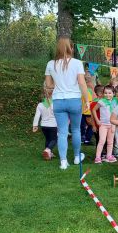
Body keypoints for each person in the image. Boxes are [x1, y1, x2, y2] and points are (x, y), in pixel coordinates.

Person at [44, 38, 91, 170]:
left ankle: (63, 161)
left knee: (62, 132)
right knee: (76, 130)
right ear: (71, 48)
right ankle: (76, 157)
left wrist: (59, 83)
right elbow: (82, 83)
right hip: (74, 100)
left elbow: (48, 85)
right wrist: (87, 100)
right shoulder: (77, 63)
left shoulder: (50, 64)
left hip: (58, 101)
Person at [93, 85, 117, 164]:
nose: (107, 95)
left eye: (110, 93)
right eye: (105, 93)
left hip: (112, 124)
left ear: (113, 94)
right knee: (102, 140)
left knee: (110, 141)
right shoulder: (101, 101)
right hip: (103, 125)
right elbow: (94, 110)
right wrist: (97, 120)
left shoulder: (115, 101)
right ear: (103, 94)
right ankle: (97, 157)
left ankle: (109, 156)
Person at [32, 86, 57, 160]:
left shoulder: (40, 104)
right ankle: (48, 150)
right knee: (54, 139)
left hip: (44, 125)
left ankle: (49, 154)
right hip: (53, 125)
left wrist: (35, 125)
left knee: (48, 139)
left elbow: (37, 116)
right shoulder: (55, 103)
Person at [81, 74, 96, 146]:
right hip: (88, 111)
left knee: (83, 125)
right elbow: (94, 99)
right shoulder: (90, 89)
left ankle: (83, 138)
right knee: (91, 125)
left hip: (83, 111)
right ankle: (86, 139)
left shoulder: (81, 88)